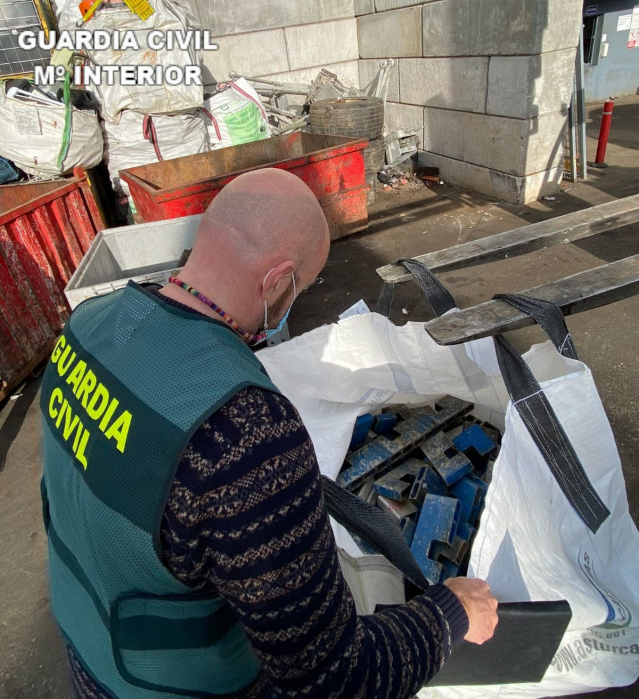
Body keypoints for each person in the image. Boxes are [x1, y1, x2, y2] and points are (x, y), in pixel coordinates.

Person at [40, 167, 498, 699]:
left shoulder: (87, 326)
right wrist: (449, 616)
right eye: (301, 286)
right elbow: (334, 678)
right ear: (277, 280)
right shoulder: (246, 434)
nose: (294, 300)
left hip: (90, 648)